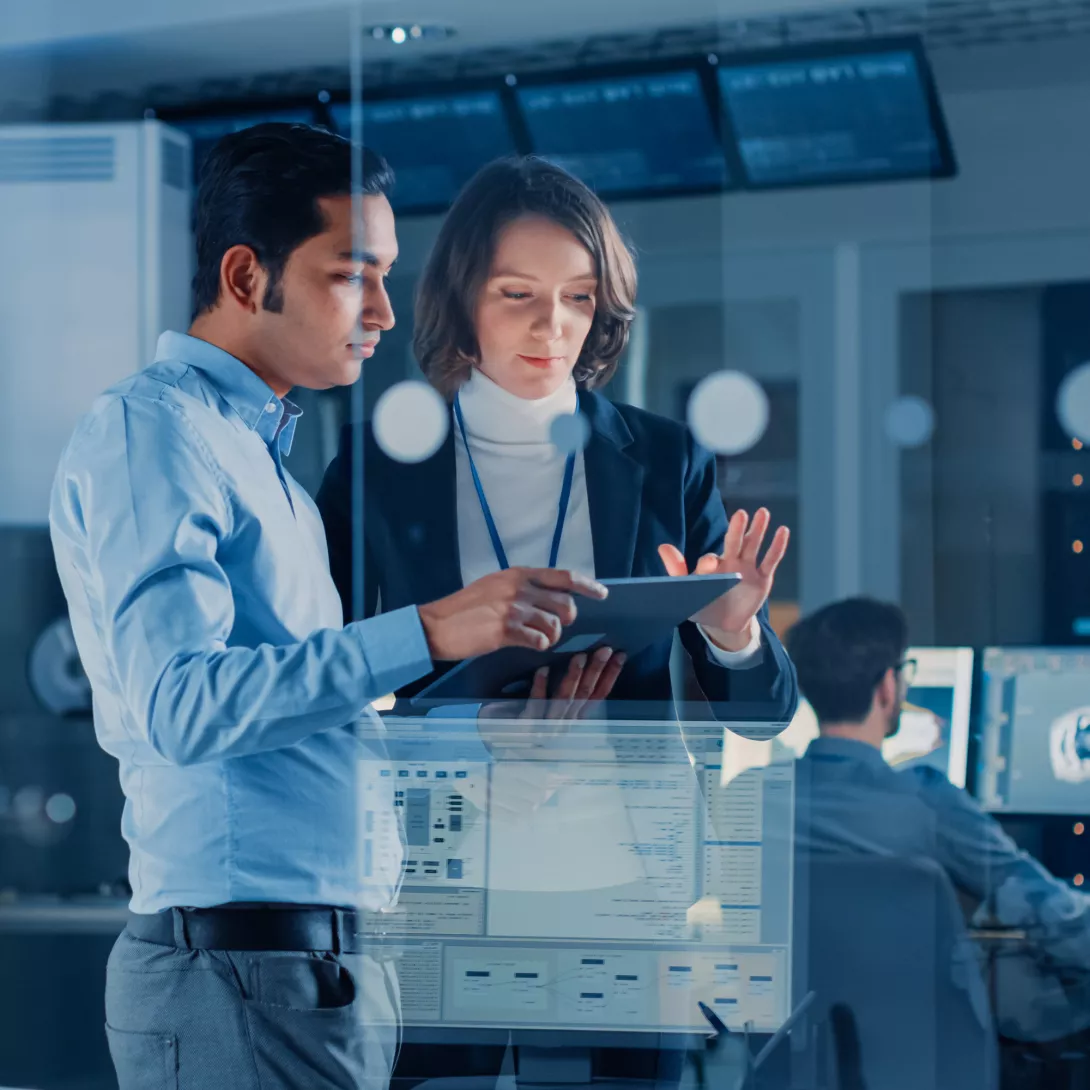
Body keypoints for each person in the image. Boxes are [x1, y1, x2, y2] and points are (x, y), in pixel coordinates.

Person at [48, 124, 611, 1090]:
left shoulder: (266, 466)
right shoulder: (153, 430)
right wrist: (433, 628)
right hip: (240, 972)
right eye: (353, 275)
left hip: (309, 971)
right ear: (243, 275)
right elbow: (180, 706)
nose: (385, 311)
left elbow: (300, 740)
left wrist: (483, 769)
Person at [317, 156, 798, 727]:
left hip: (633, 805)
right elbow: (321, 683)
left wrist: (733, 636)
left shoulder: (667, 459)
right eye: (518, 294)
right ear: (461, 300)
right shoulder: (375, 465)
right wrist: (468, 737)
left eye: (578, 296)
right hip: (455, 804)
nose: (553, 327)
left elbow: (762, 718)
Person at [786, 597, 1090, 1055]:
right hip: (917, 1058)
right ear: (887, 686)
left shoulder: (753, 797)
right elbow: (1043, 907)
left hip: (793, 1057)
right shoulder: (926, 802)